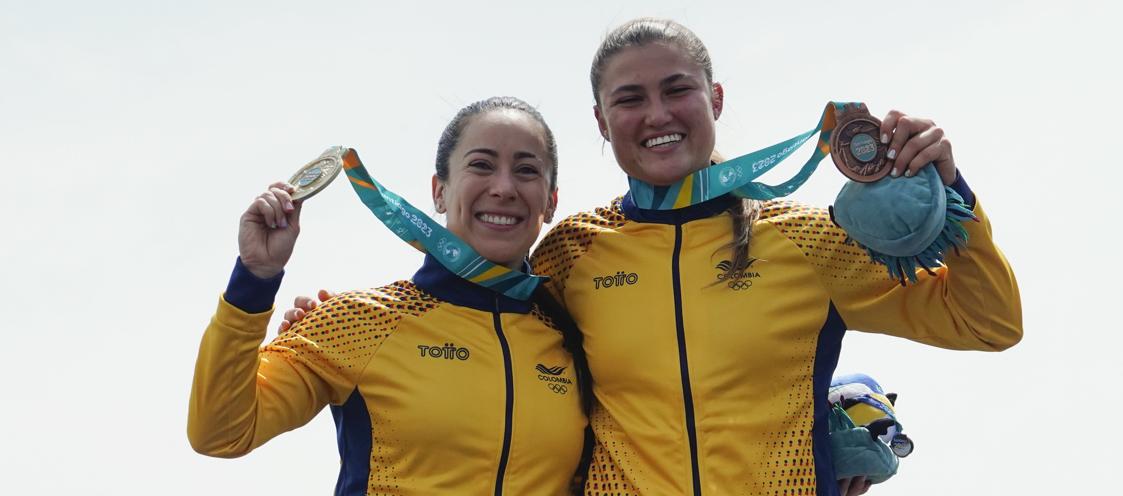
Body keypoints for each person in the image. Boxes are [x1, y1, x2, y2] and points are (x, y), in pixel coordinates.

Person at [281, 18, 1023, 496]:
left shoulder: (805, 241)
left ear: (716, 100)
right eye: (629, 99)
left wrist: (949, 189)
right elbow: (477, 317)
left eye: (677, 90)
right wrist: (328, 330)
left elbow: (985, 322)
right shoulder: (572, 253)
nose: (657, 114)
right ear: (602, 124)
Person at [187, 97, 590, 495]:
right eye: (481, 165)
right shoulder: (357, 321)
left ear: (551, 201)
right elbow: (220, 432)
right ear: (439, 192)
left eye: (526, 170)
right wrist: (255, 279)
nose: (504, 187)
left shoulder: (575, 339)